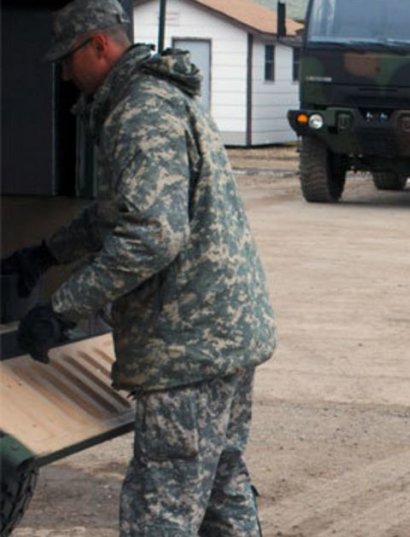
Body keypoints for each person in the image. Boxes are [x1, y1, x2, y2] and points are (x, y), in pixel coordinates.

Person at [1, 0, 276, 534]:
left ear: (99, 45)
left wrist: (62, 310)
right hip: (224, 335)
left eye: (68, 59)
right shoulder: (158, 97)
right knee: (221, 487)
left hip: (187, 348)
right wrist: (46, 253)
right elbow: (119, 211)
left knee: (161, 506)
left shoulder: (140, 111)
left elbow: (152, 236)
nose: (65, 74)